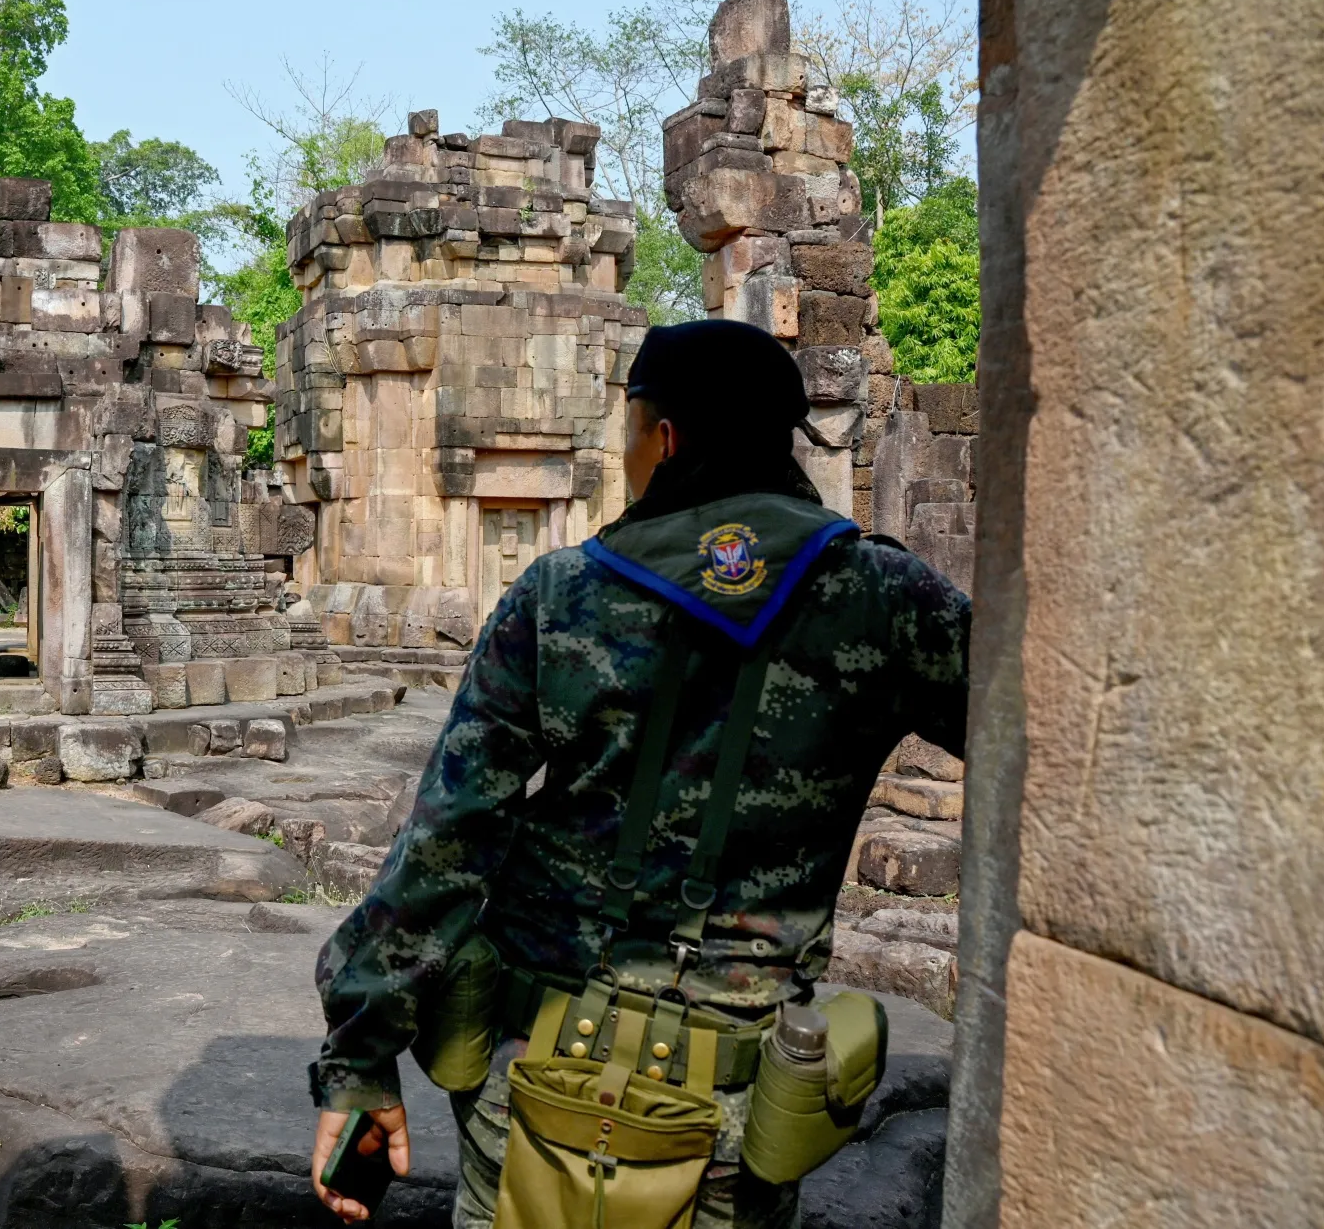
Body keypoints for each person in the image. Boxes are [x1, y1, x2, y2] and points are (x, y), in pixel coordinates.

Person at [306, 318, 972, 1228]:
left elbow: (448, 842)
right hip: (737, 1111)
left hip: (534, 1075)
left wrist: (360, 1049)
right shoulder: (884, 599)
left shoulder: (560, 594)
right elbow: (1043, 750)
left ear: (662, 438)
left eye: (625, 432)